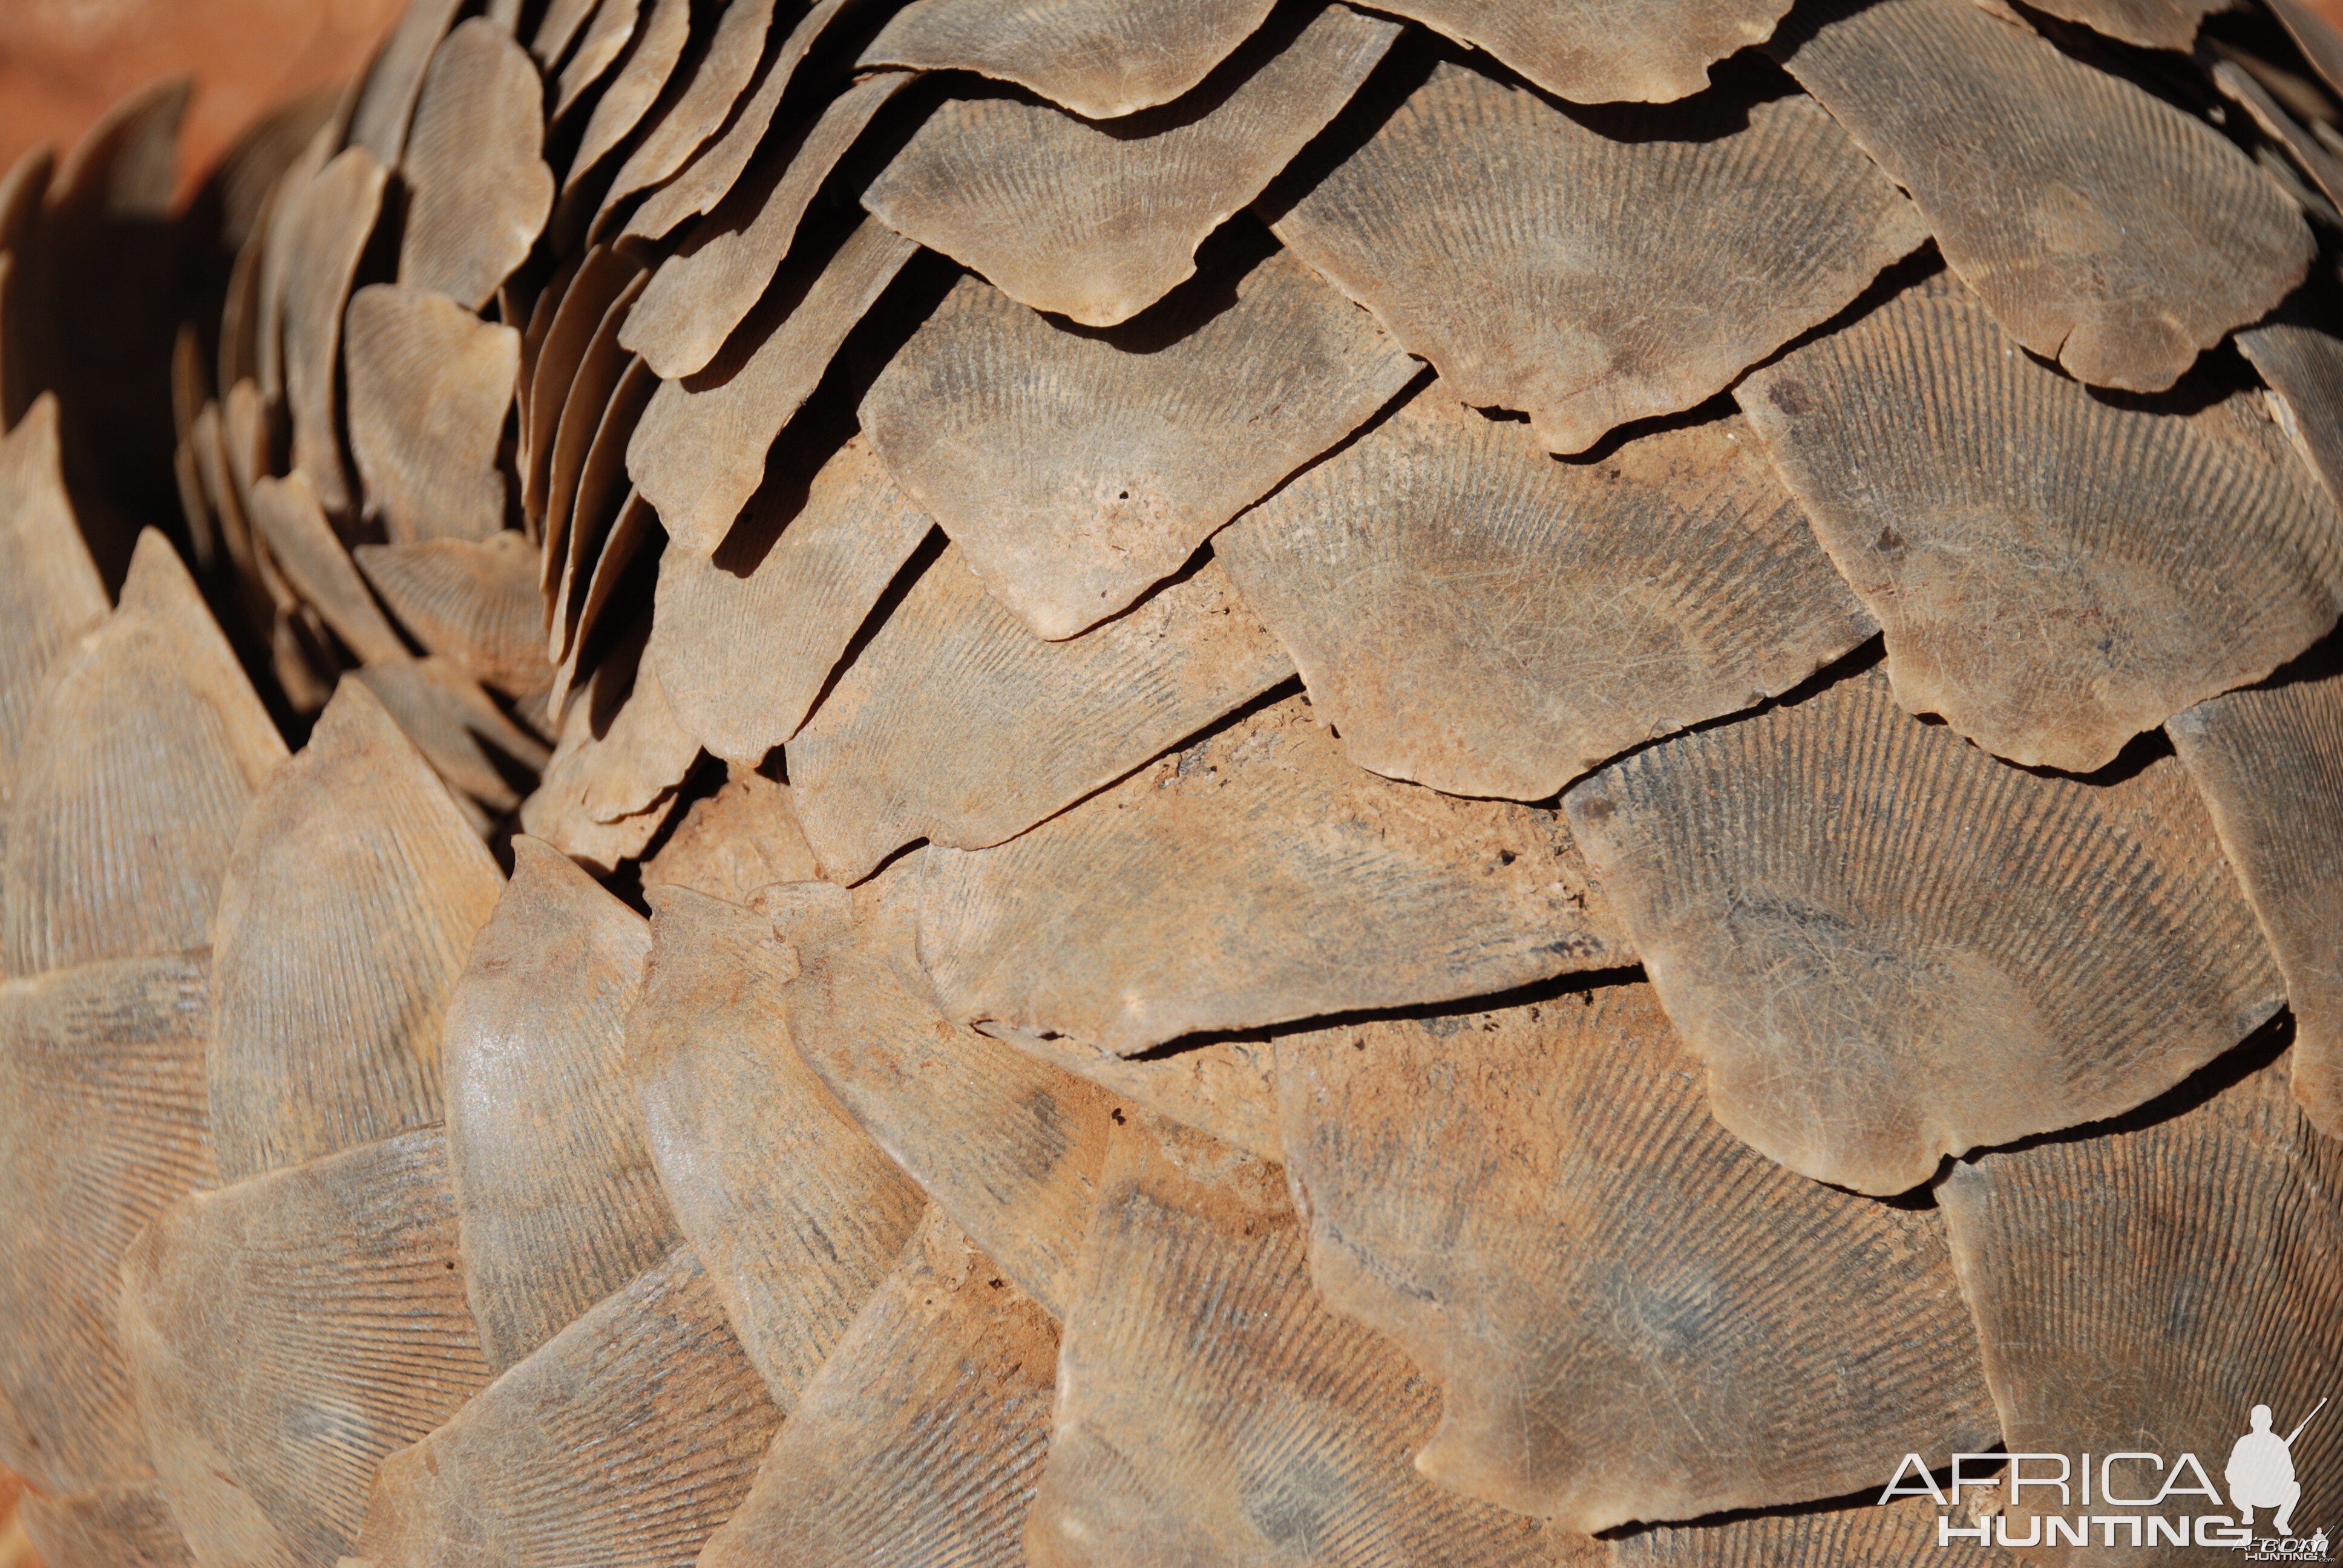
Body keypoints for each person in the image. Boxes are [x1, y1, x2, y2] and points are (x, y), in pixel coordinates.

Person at [2229, 1404, 2305, 1535]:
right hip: (2249, 1494)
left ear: (2270, 1422)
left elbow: (2290, 1474)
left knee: (2295, 1487)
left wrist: (2273, 1474)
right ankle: (2247, 1512)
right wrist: (2249, 1475)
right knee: (2235, 1486)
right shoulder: (2243, 1443)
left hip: (2272, 1494)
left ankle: (2281, 1520)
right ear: (2252, 1422)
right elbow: (2230, 1473)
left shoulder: (2278, 1443)